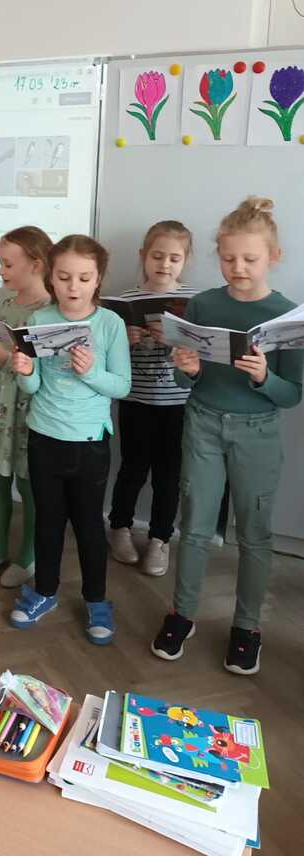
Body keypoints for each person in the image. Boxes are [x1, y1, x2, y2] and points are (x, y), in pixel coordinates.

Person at [151, 197, 303, 676]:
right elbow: (188, 379)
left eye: (250, 259)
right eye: (229, 258)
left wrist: (262, 377)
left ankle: (247, 626)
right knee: (195, 525)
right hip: (203, 423)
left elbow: (292, 395)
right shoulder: (203, 304)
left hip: (258, 431)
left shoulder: (288, 315)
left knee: (254, 533)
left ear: (274, 257)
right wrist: (187, 367)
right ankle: (182, 613)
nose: (238, 268)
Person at [9, 234, 131, 646]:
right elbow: (32, 388)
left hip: (89, 443)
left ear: (98, 280)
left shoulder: (110, 324)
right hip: (44, 437)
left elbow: (122, 386)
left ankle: (96, 600)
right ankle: (45, 591)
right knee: (47, 521)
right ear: (51, 277)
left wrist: (91, 371)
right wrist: (25, 371)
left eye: (84, 278)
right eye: (64, 277)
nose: (73, 287)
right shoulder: (39, 320)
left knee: (89, 526)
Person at [108, 220, 196, 576]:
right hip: (136, 401)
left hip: (178, 403)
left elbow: (202, 354)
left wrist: (174, 341)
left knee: (168, 474)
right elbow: (107, 355)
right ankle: (119, 527)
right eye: (157, 256)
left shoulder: (194, 302)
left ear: (186, 260)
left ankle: (160, 538)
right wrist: (124, 341)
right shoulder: (125, 300)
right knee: (132, 468)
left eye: (174, 258)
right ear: (143, 256)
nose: (165, 264)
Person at [0, 227, 52, 586]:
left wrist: (3, 355)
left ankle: (28, 557)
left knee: (29, 484)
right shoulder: (4, 306)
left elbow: (44, 370)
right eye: (0, 263)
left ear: (36, 264)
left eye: (8, 264)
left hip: (28, 410)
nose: (1, 271)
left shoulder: (49, 313)